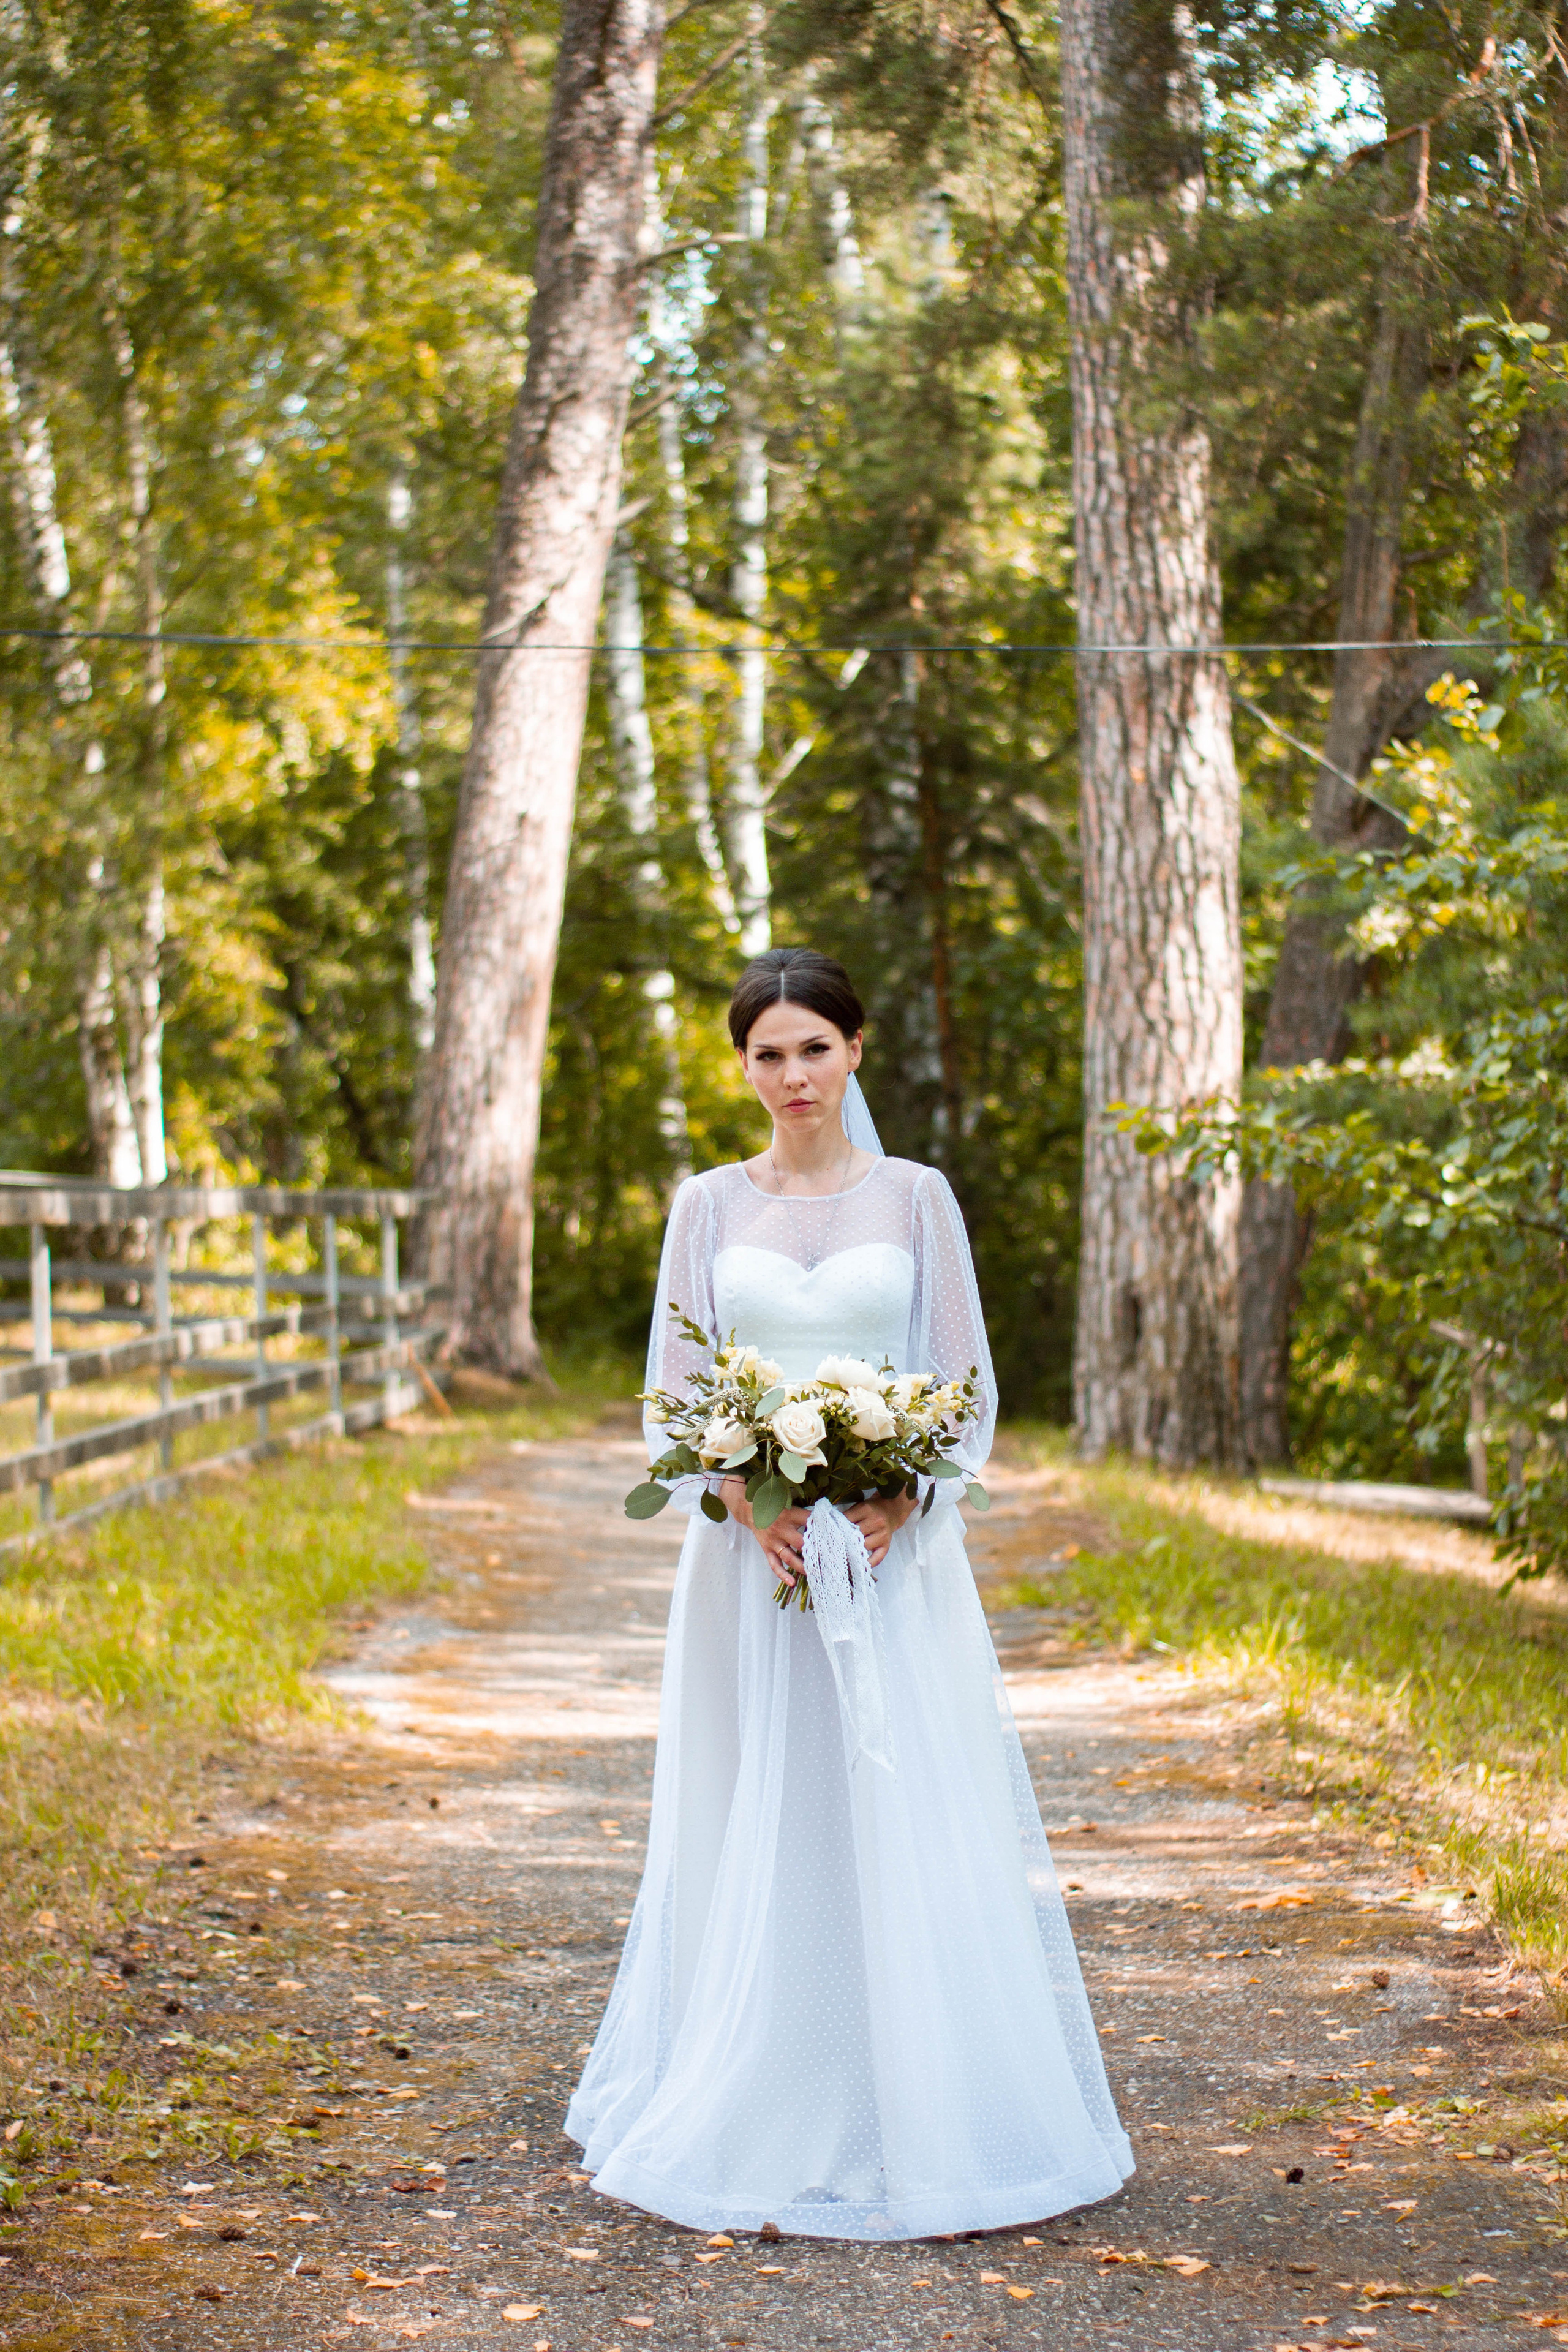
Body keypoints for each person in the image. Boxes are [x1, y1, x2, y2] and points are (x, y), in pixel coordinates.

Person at [565, 948, 1132, 2239]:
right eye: (767, 1054)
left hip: (890, 1563)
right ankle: (754, 2075)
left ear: (854, 1051)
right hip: (749, 1564)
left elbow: (963, 1387)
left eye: (813, 1048)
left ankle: (911, 2089)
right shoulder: (706, 1205)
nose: (793, 1076)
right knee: (752, 1796)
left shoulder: (918, 1197)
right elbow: (671, 1398)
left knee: (894, 1798)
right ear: (743, 1067)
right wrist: (748, 1505)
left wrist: (902, 1503)